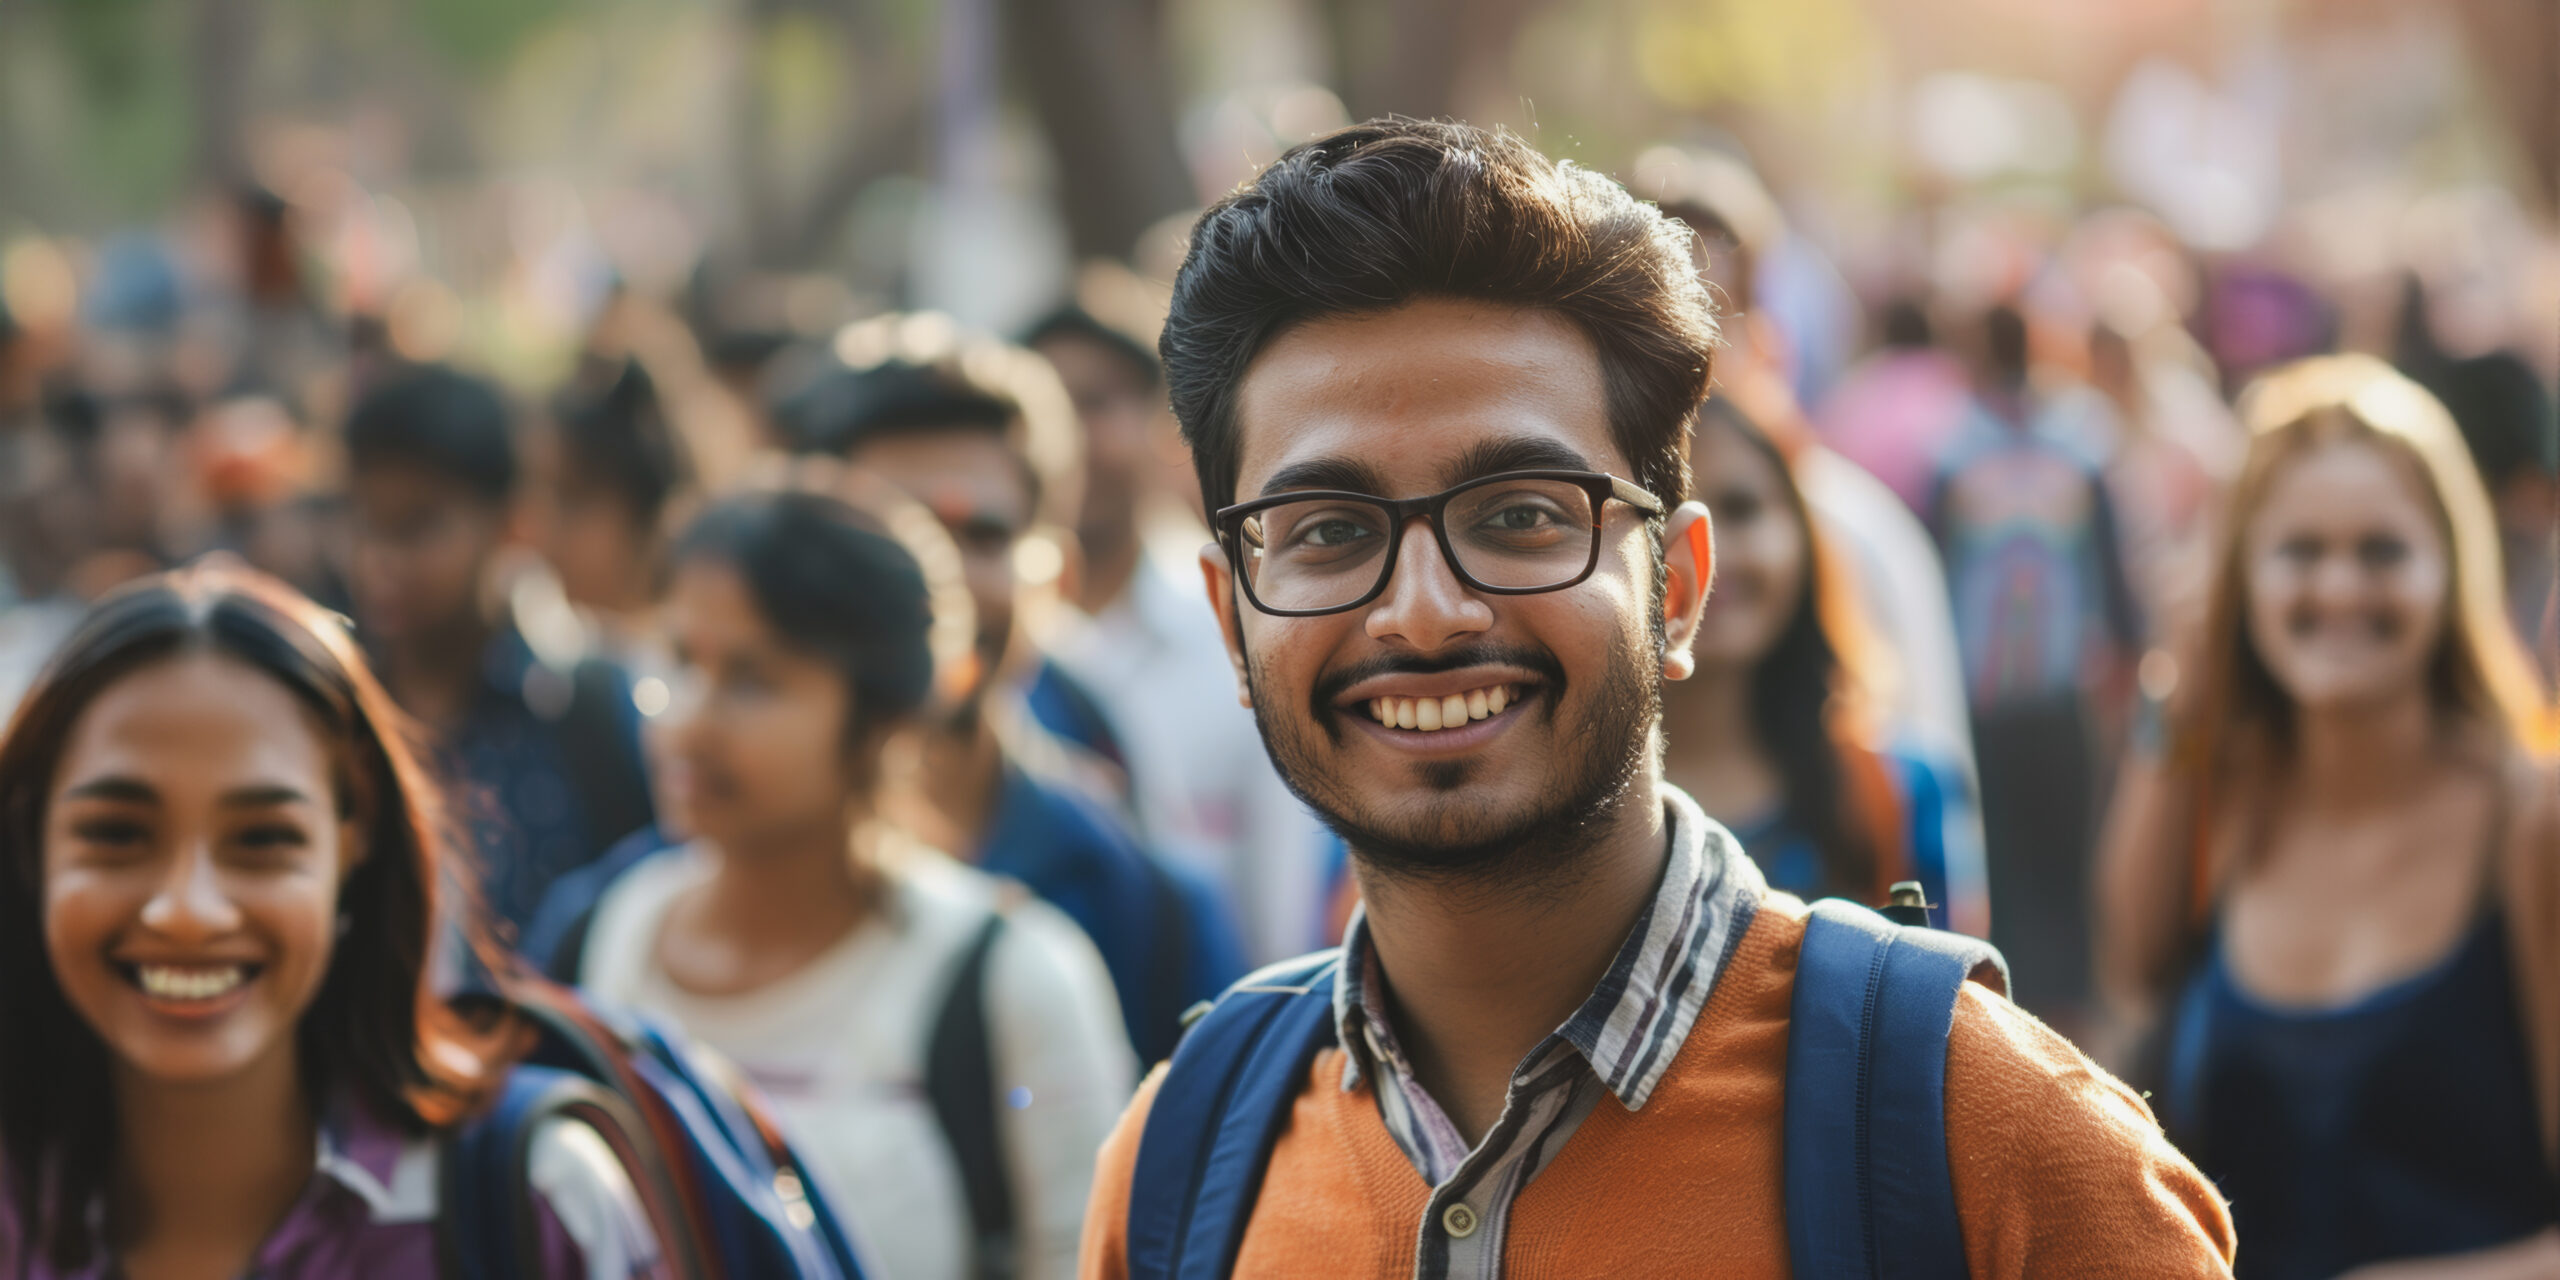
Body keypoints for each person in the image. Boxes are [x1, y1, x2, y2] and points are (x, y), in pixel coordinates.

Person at [1078, 118, 2235, 1278]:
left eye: (1520, 511)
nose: (1423, 614)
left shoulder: (2002, 1148)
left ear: (1677, 587)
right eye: (1328, 531)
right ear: (1233, 617)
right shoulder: (1184, 1160)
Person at [537, 485, 1134, 1280]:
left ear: (882, 718)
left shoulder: (1009, 979)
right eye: (679, 659)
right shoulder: (598, 938)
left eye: (753, 678)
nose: (689, 718)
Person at [0, 563, 657, 1278]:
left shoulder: (535, 1203)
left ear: (355, 838)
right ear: (31, 841)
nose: (186, 912)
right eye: (118, 834)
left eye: (261, 840)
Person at [2095, 354, 2560, 1280]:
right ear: (2240, 577)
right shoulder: (2216, 793)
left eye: (2381, 551)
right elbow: (2132, 970)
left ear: (2450, 568)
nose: (2340, 589)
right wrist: (2179, 693)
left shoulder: (2532, 821)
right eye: (2300, 552)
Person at [771, 320, 1248, 1060]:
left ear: (1056, 580)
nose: (938, 585)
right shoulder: (665, 904)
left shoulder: (1145, 911)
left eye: (981, 535)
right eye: (892, 534)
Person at [1026, 301, 1336, 962]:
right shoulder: (1001, 649)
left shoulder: (1243, 620)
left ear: (1163, 425)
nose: (1073, 440)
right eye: (1046, 409)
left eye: (1094, 403)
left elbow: (1282, 906)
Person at [342, 363, 655, 936]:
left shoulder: (591, 711)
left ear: (511, 524)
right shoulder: (333, 711)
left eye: (417, 527)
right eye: (366, 523)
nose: (381, 561)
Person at [1664, 396, 1989, 937]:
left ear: (1804, 535)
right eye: (1670, 516)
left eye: (1741, 509)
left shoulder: (1901, 791)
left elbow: (1958, 1009)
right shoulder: (1572, 810)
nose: (1709, 554)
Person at [1928, 303, 2145, 1027]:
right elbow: (2113, 571)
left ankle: (2016, 988)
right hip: (2061, 682)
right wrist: (2126, 654)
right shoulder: (2081, 442)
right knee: (2064, 838)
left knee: (2008, 842)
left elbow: (1934, 564)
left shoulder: (1956, 449)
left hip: (1984, 684)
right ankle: (2068, 990)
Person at [525, 355, 693, 676]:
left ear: (647, 514)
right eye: (541, 497)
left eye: (573, 501)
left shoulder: (687, 675)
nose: (542, 532)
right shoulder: (543, 656)